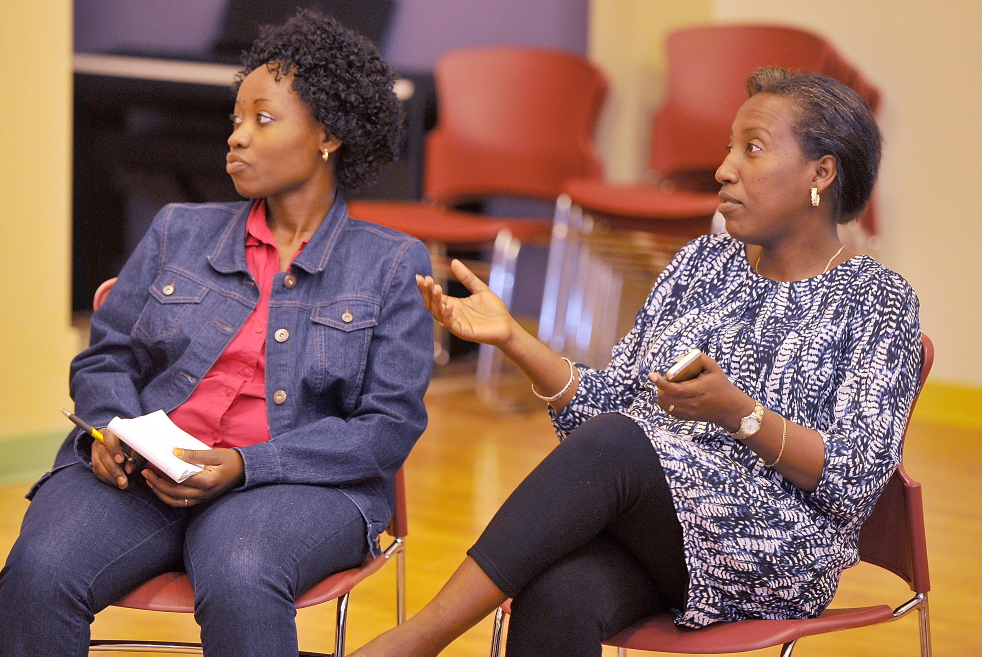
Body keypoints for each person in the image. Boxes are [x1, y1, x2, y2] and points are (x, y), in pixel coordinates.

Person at [350, 67, 922, 657]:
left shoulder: (878, 301)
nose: (725, 168)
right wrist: (514, 340)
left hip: (774, 547)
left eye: (752, 149)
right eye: (730, 148)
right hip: (660, 525)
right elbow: (606, 408)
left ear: (821, 173)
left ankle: (419, 639)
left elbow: (854, 482)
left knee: (620, 444)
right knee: (556, 596)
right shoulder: (704, 262)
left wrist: (739, 414)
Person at [0, 10, 433, 657]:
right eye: (234, 120)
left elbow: (386, 429)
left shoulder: (392, 264)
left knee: (239, 566)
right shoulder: (178, 230)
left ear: (328, 136)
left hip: (298, 489)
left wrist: (243, 467)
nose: (236, 138)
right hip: (146, 478)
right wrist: (110, 430)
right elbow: (105, 358)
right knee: (40, 568)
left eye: (263, 119)